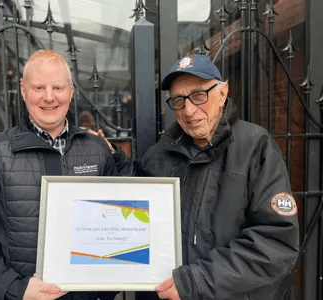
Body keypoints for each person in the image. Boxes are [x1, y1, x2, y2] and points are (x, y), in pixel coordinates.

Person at [101, 54, 300, 299]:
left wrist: (195, 281)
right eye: (178, 100)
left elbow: (275, 244)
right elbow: (139, 201)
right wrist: (113, 158)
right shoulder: (161, 152)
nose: (189, 110)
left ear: (223, 93)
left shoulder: (256, 147)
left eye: (198, 96)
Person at [0, 49, 119, 300]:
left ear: (71, 92)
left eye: (58, 88)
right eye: (39, 87)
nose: (49, 97)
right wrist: (14, 289)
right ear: (24, 90)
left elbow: (116, 223)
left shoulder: (97, 150)